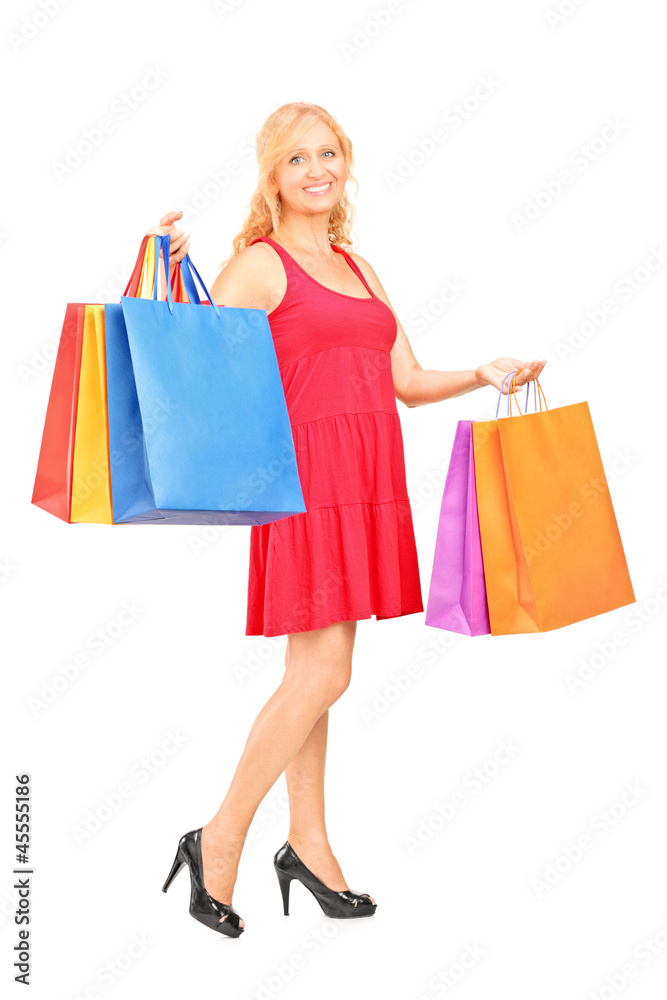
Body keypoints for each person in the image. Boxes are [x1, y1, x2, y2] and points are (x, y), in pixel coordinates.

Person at [155, 102, 546, 938]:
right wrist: (172, 266)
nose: (315, 170)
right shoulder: (259, 265)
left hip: (366, 478)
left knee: (314, 677)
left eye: (327, 153)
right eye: (296, 159)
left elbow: (402, 378)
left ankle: (308, 843)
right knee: (322, 676)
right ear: (272, 178)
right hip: (304, 483)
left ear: (345, 163)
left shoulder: (357, 266)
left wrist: (483, 371)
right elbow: (188, 352)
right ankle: (217, 838)